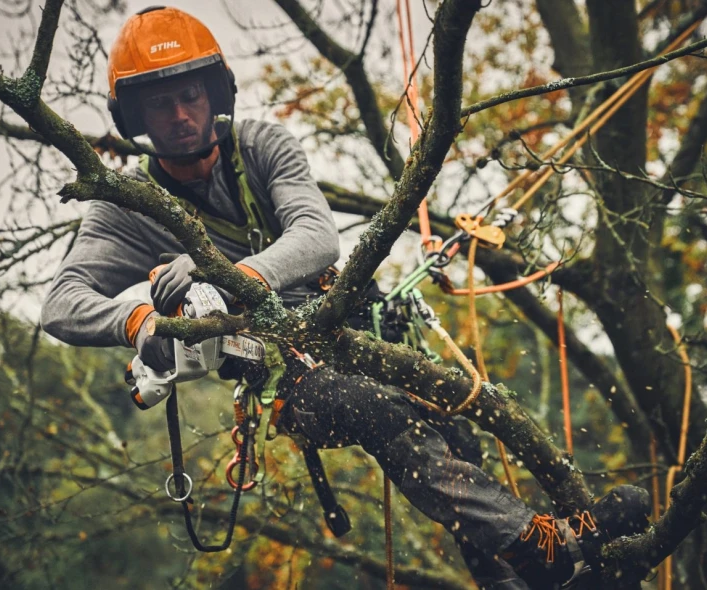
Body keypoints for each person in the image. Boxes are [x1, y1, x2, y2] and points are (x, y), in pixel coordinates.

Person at [40, 6, 650, 588]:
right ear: (136, 115)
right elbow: (62, 304)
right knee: (375, 409)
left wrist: (225, 279)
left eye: (189, 95)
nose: (178, 113)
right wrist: (141, 320)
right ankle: (536, 544)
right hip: (287, 373)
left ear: (214, 94)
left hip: (351, 324)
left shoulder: (261, 147)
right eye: (160, 101)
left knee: (455, 435)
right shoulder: (126, 205)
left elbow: (317, 236)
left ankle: (533, 570)